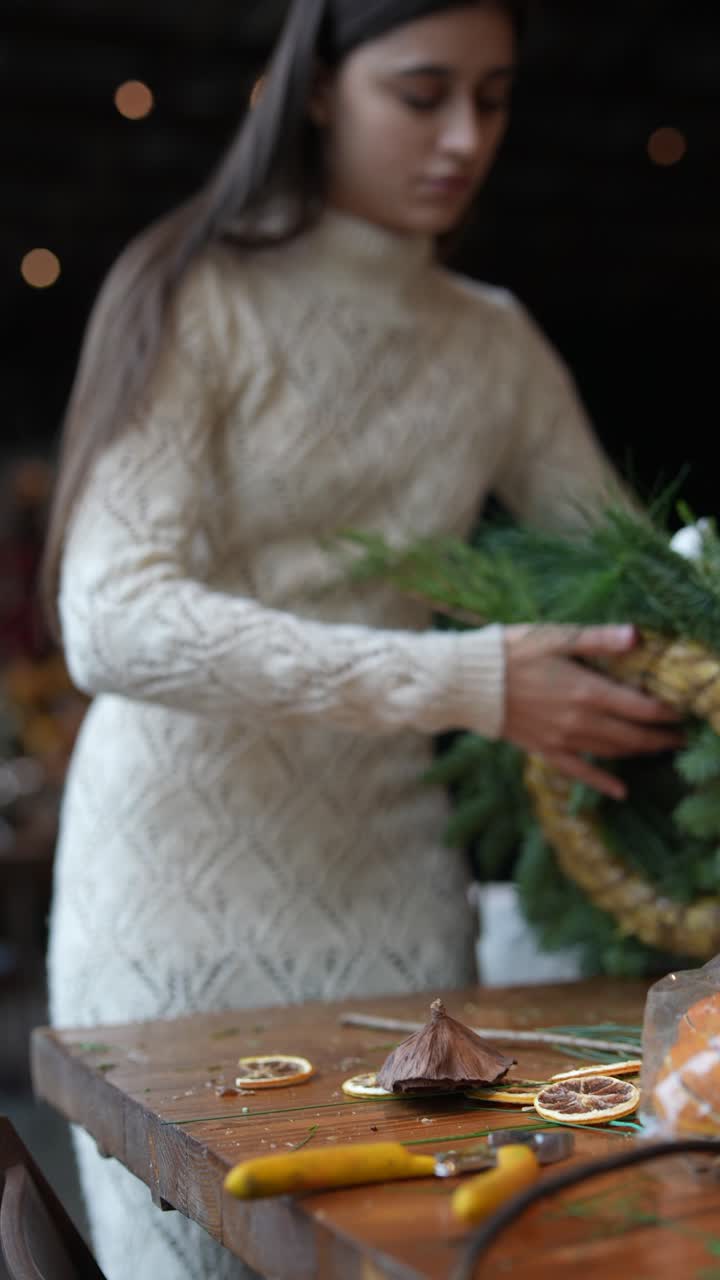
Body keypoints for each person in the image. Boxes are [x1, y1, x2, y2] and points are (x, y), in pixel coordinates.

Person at [43, 1, 683, 1276]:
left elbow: (644, 591)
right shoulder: (197, 291)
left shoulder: (492, 342)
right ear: (320, 89)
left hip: (396, 903)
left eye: (493, 100)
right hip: (171, 897)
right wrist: (471, 678)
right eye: (422, 92)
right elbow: (110, 618)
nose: (463, 137)